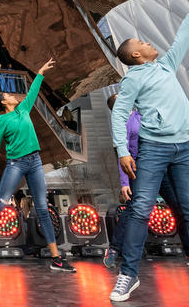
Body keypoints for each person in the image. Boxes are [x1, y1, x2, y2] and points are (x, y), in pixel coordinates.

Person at [109, 17, 189, 302]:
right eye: (142, 43)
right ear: (136, 55)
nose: (148, 42)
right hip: (154, 148)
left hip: (185, 147)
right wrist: (122, 150)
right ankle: (128, 274)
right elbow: (119, 114)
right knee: (141, 209)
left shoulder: (166, 66)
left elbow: (183, 37)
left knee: (187, 209)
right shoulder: (133, 78)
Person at [0, 58, 75, 274]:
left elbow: (33, 91)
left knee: (43, 208)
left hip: (34, 162)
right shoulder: (0, 122)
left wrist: (40, 71)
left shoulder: (23, 110)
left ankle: (56, 258)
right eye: (8, 95)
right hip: (16, 164)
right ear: (3, 103)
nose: (13, 95)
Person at [104, 94, 189, 268]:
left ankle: (188, 250)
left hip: (162, 165)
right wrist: (124, 183)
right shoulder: (121, 124)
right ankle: (113, 249)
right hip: (139, 170)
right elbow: (122, 154)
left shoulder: (139, 115)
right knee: (133, 210)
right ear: (116, 105)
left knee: (179, 206)